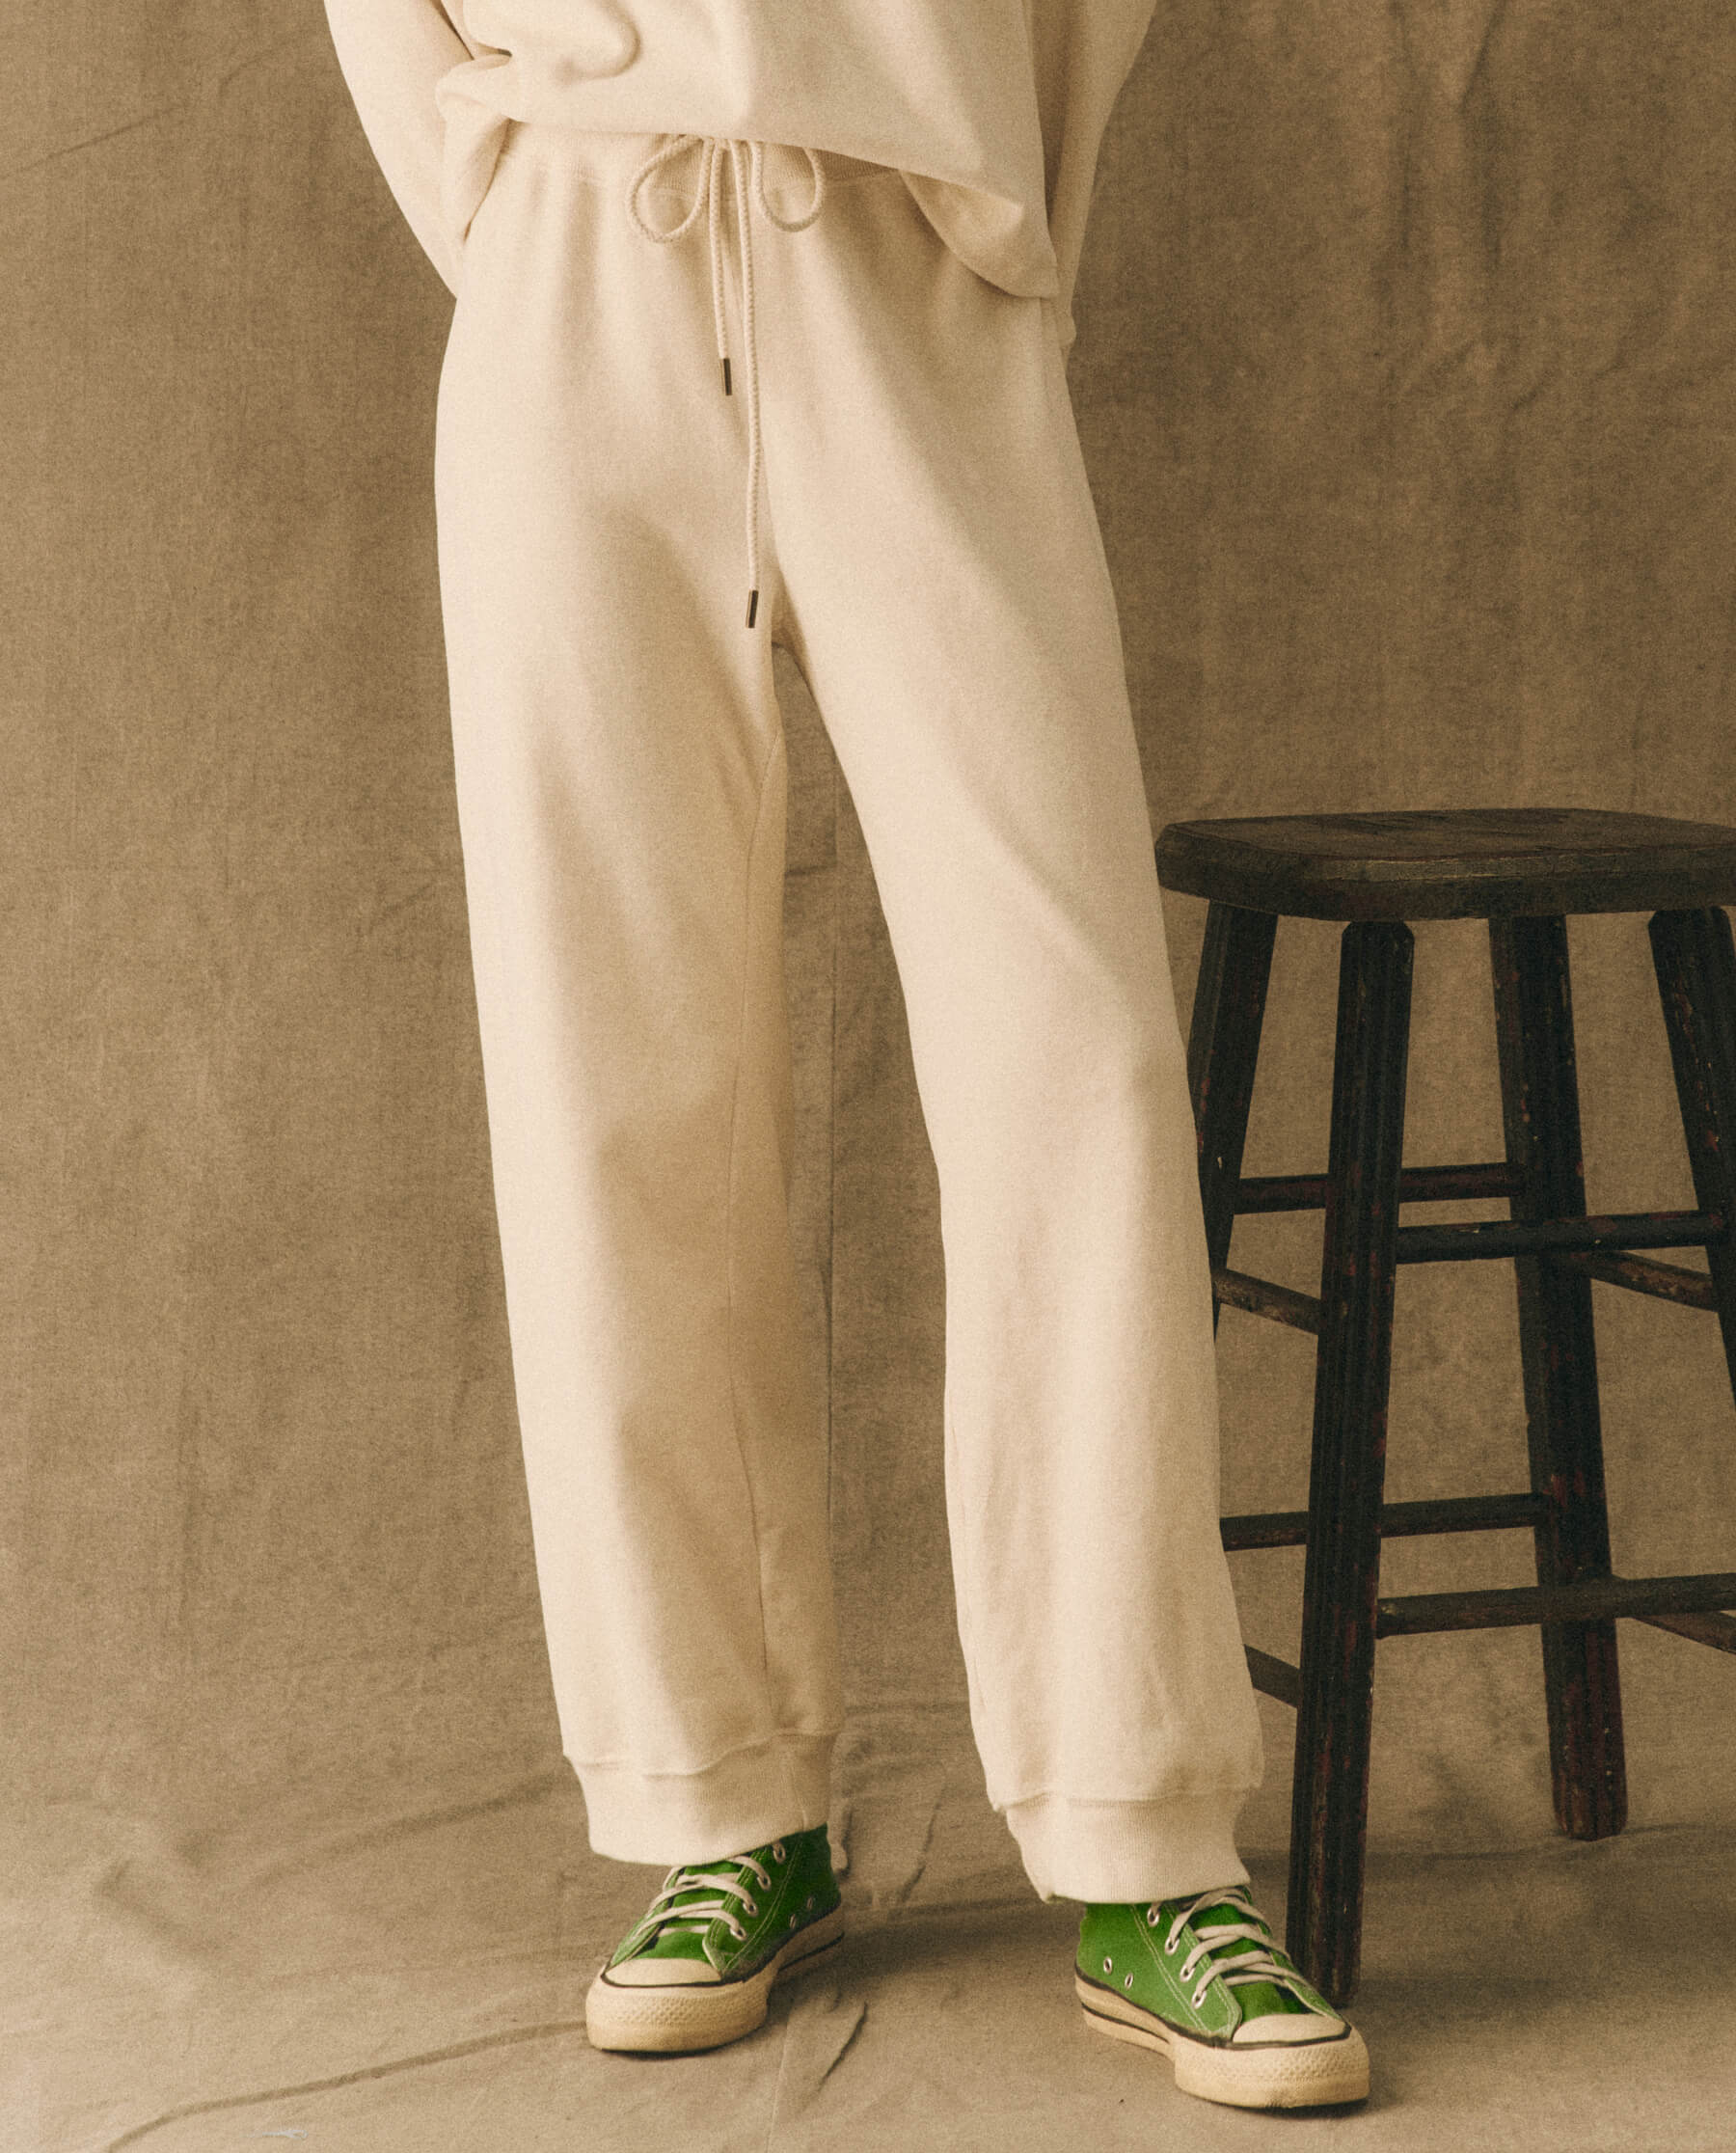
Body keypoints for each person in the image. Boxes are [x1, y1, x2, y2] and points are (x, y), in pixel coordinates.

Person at [321, 0, 1371, 2112]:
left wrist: (987, 205)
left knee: (1074, 1061)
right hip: (573, 286)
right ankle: (722, 1796)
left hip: (908, 260)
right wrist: (513, 201)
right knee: (611, 1078)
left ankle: (1143, 1830)